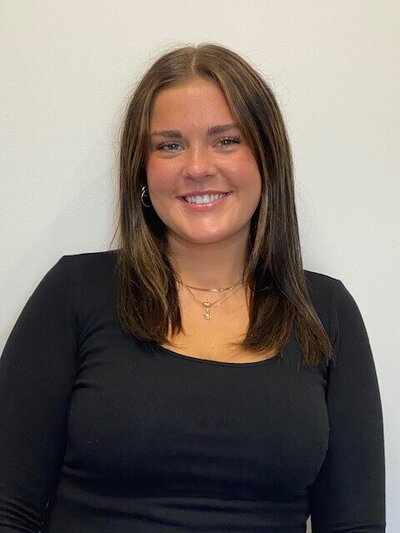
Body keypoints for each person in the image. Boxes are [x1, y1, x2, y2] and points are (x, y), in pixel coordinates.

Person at [0, 44, 385, 532]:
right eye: (169, 145)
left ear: (266, 159)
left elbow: (355, 525)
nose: (198, 167)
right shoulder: (74, 293)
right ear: (141, 169)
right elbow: (9, 508)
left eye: (226, 140)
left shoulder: (325, 312)